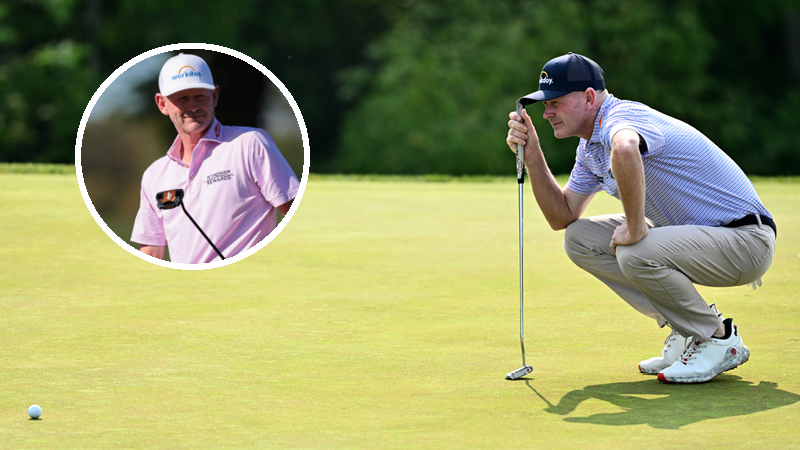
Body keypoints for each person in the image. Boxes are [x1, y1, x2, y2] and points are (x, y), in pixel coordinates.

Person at [506, 52, 776, 384]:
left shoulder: (622, 117)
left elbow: (624, 149)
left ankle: (718, 338)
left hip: (746, 240)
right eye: (545, 105)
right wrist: (532, 155)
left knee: (635, 250)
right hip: (702, 238)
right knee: (579, 239)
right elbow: (562, 216)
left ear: (589, 97)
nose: (547, 113)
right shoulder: (590, 148)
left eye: (556, 102)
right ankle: (687, 328)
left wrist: (634, 227)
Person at [131, 53, 300, 264]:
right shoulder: (154, 175)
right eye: (182, 98)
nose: (192, 106)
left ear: (215, 96)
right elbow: (151, 254)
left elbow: (298, 217)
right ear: (162, 104)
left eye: (200, 96)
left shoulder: (250, 144)